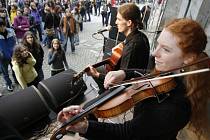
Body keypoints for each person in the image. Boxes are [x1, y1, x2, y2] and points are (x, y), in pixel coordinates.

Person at [57, 18, 210, 139]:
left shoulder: (178, 106)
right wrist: (124, 73)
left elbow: (127, 133)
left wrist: (85, 127)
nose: (155, 53)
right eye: (158, 45)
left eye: (166, 49)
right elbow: (147, 73)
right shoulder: (171, 71)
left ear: (189, 59)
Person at [87, 3, 150, 93]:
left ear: (129, 23)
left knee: (97, 71)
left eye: (119, 19)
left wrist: (97, 75)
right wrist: (122, 45)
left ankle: (103, 94)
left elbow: (122, 82)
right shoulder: (141, 35)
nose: (116, 22)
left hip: (127, 90)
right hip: (134, 77)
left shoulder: (132, 47)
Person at [0, 17, 16, 92]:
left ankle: (16, 79)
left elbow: (15, 42)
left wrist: (15, 51)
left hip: (13, 55)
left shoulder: (11, 31)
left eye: (2, 26)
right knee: (5, 72)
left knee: (15, 69)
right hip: (2, 58)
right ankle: (9, 84)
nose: (2, 28)